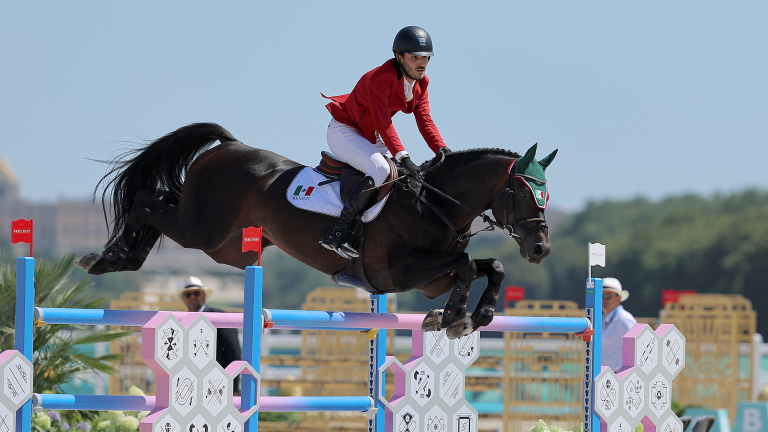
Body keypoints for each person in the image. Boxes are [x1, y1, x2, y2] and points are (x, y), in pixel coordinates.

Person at [319, 26, 450, 258]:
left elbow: (425, 120)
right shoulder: (381, 79)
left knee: (400, 175)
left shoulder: (421, 83)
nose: (422, 63)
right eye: (414, 57)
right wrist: (403, 155)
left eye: (425, 58)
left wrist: (442, 150)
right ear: (399, 56)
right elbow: (383, 122)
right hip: (345, 129)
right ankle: (338, 233)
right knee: (380, 168)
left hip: (371, 133)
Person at [179, 276, 242, 390]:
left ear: (204, 295)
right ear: (184, 298)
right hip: (190, 387)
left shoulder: (220, 317)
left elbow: (233, 353)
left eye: (196, 293)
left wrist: (233, 387)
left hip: (218, 385)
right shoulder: (182, 321)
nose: (192, 297)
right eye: (188, 294)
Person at [601, 277, 637, 372]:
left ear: (619, 298)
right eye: (600, 295)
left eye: (608, 295)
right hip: (604, 377)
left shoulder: (624, 319)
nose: (603, 299)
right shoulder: (601, 319)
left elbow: (637, 352)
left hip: (618, 378)